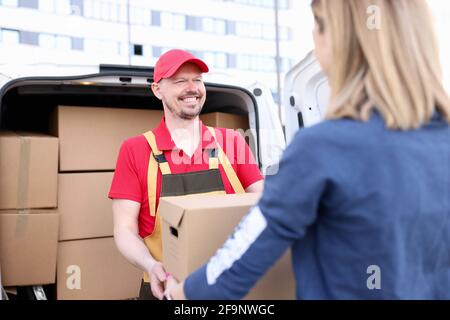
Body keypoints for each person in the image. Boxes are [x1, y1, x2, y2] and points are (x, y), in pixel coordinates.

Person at [165, 0, 450, 300]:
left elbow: (236, 264)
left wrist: (180, 292)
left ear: (339, 40)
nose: (314, 40)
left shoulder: (324, 148)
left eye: (317, 26)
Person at [108, 49, 264, 300]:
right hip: (163, 286)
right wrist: (151, 265)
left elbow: (264, 207)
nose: (192, 88)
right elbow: (124, 229)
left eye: (198, 80)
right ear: (158, 90)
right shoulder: (135, 150)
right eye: (180, 81)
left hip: (227, 284)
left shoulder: (233, 142)